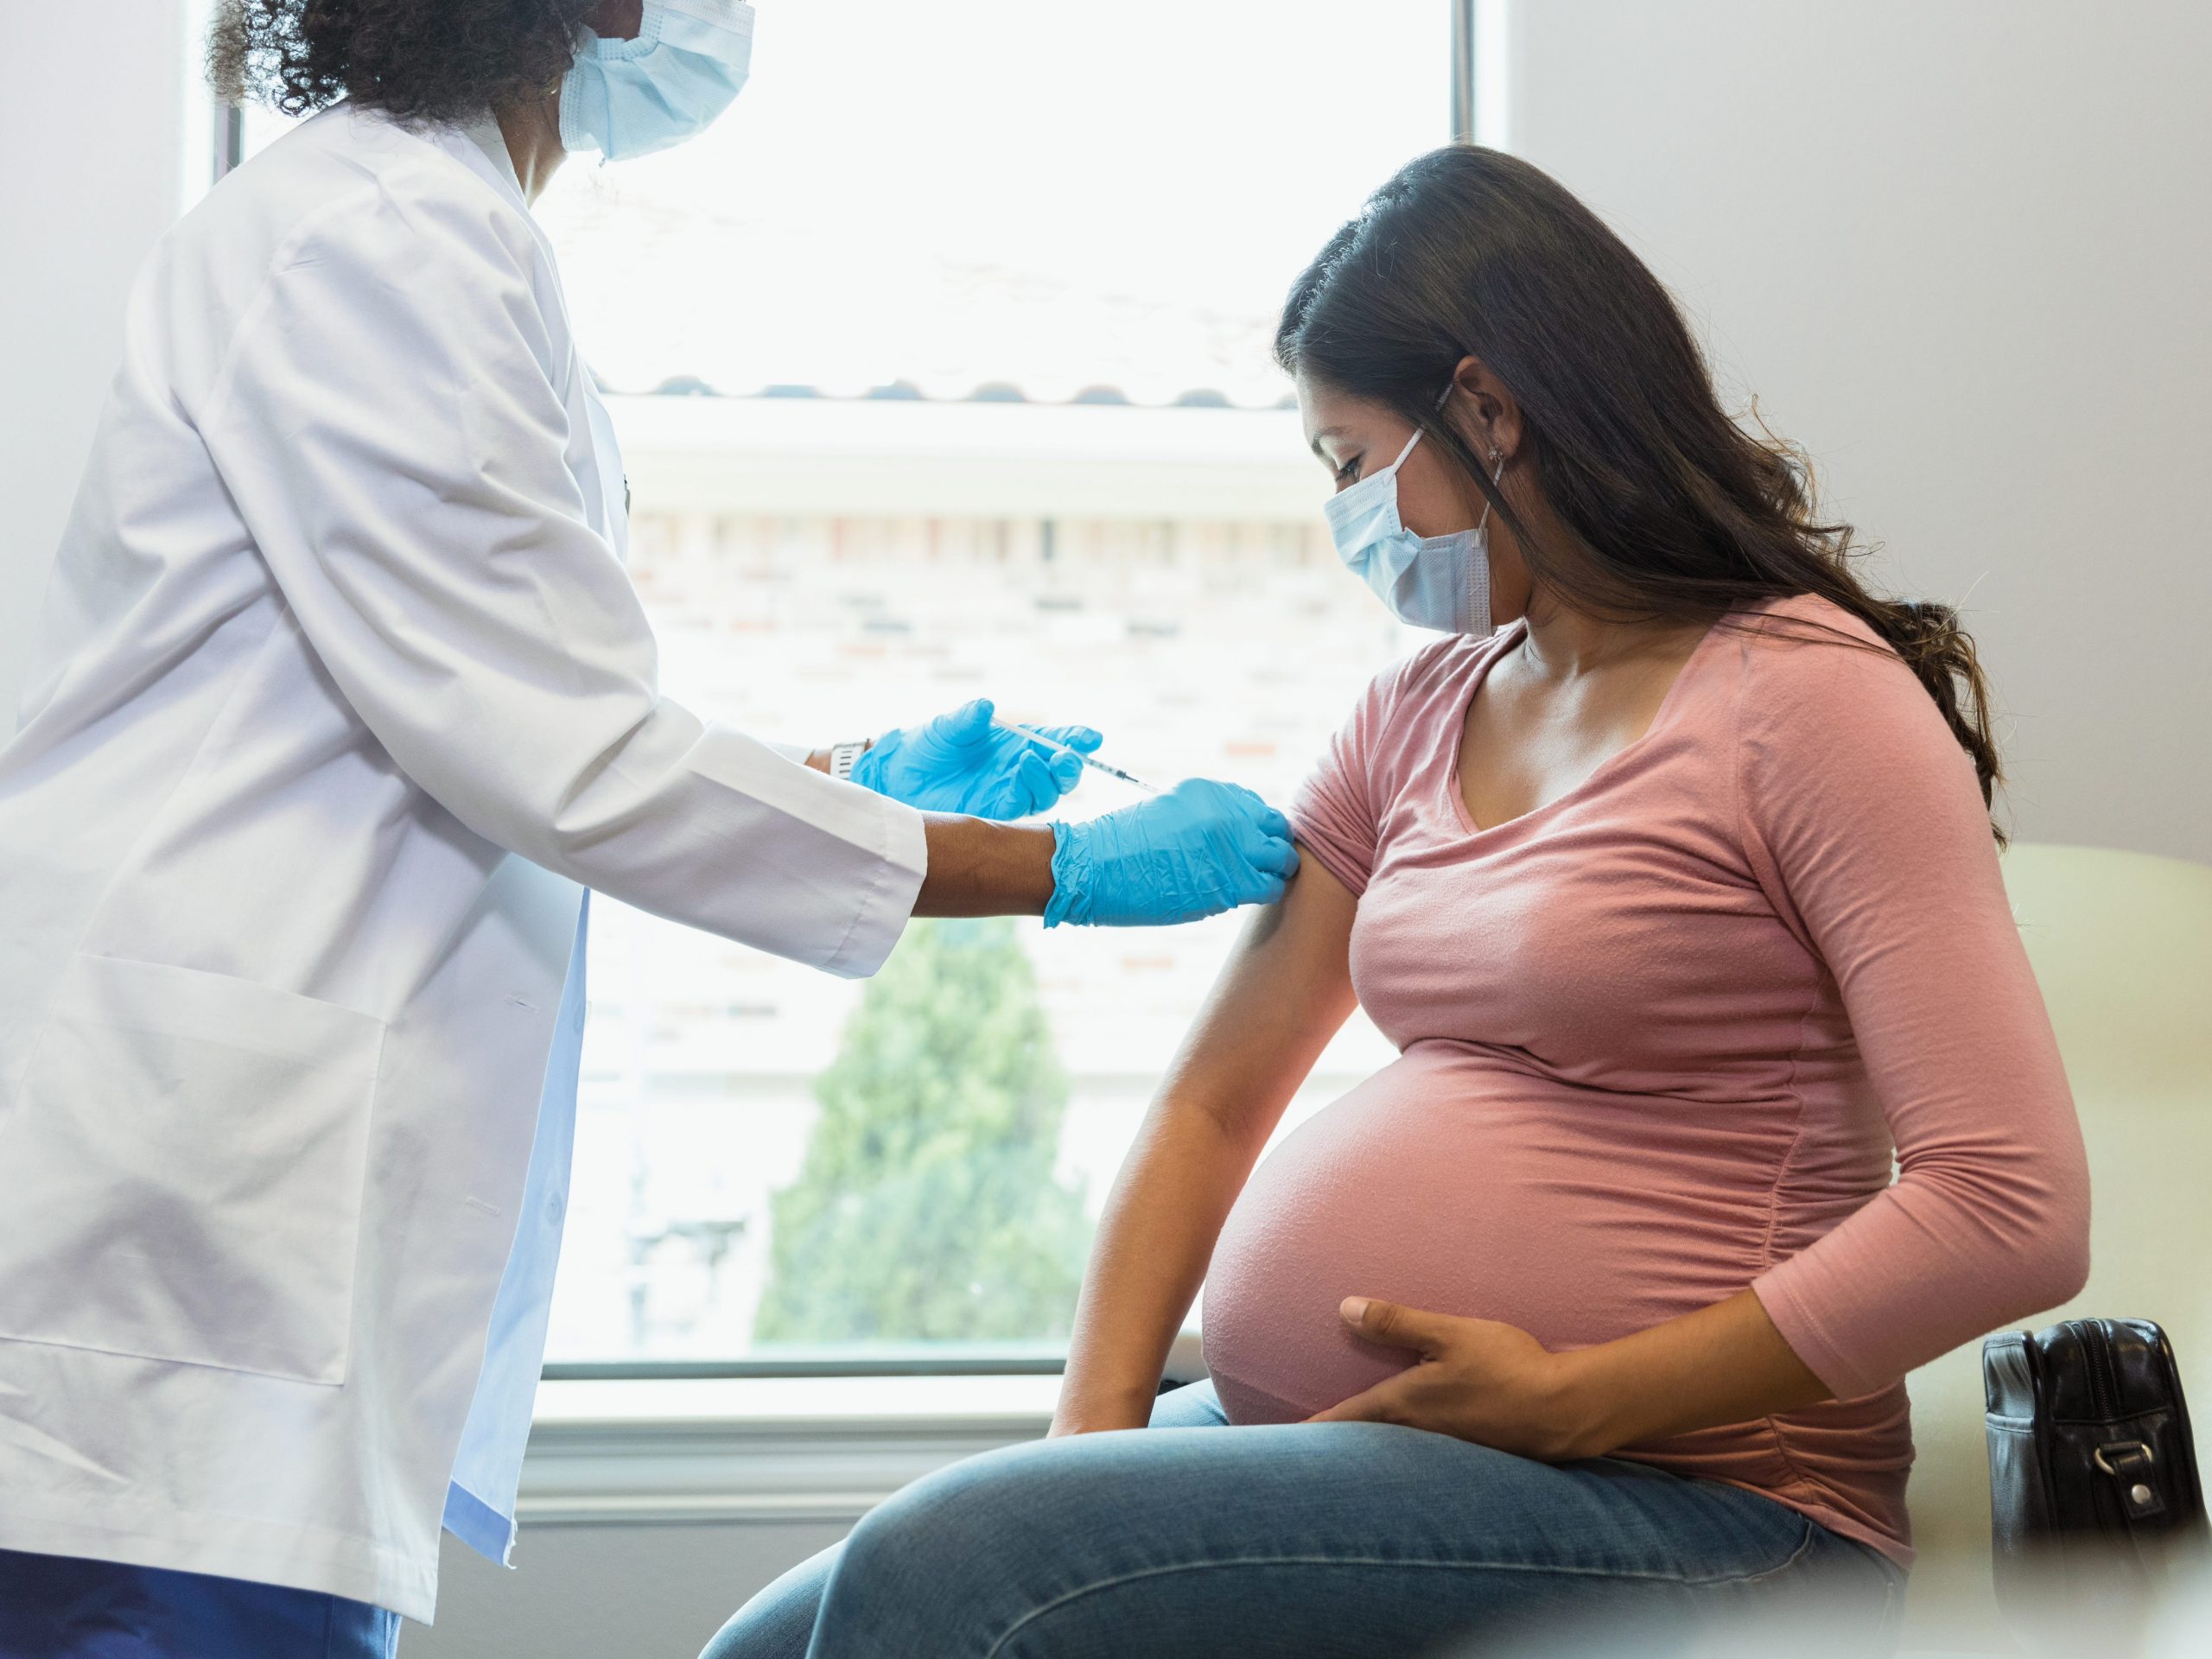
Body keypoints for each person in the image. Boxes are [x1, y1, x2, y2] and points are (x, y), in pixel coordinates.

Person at [0, 2, 1298, 1653]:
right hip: (178, 1245)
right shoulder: (374, 239)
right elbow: (565, 754)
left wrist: (849, 782)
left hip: (242, 1225)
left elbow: (506, 710)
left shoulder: (441, 232)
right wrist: (1061, 872)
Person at [702, 145, 2093, 1659]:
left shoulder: (1809, 702)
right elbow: (1210, 1110)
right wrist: (1089, 1439)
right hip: (1368, 1455)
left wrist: (1577, 1398)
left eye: (1352, 461)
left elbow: (2009, 1210)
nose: (1347, 515)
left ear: (1489, 410)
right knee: (777, 1640)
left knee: (949, 1569)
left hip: (1705, 1506)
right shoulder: (1415, 712)